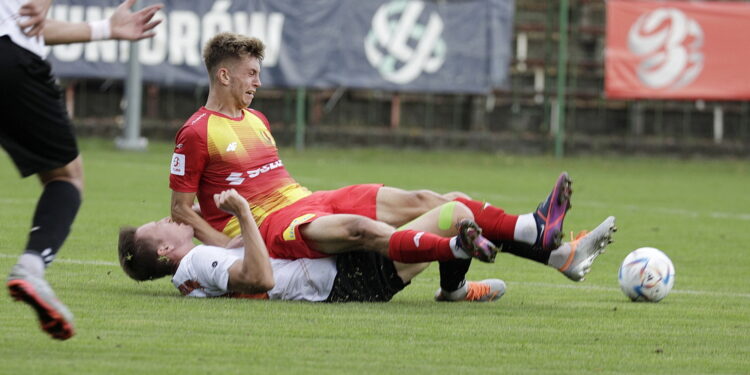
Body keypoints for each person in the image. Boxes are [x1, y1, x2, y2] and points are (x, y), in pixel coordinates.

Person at [169, 33, 596, 285]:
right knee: (372, 229)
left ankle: (543, 242)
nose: (258, 82)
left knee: (429, 199)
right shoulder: (196, 132)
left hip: (308, 199)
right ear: (223, 75)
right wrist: (225, 243)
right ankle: (522, 243)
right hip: (271, 225)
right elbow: (180, 209)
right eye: (250, 74)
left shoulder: (255, 117)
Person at [119, 189, 616, 302]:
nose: (168, 218)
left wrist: (232, 222)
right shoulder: (198, 260)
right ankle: (535, 244)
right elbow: (260, 277)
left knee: (455, 212)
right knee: (457, 213)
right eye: (159, 226)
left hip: (338, 273)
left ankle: (552, 250)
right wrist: (245, 212)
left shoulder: (195, 268)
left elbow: (240, 261)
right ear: (164, 252)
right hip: (343, 281)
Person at [2, 0, 162, 340]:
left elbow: (26, 23)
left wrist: (105, 29)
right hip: (11, 60)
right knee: (66, 177)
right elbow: (22, 21)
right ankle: (31, 269)